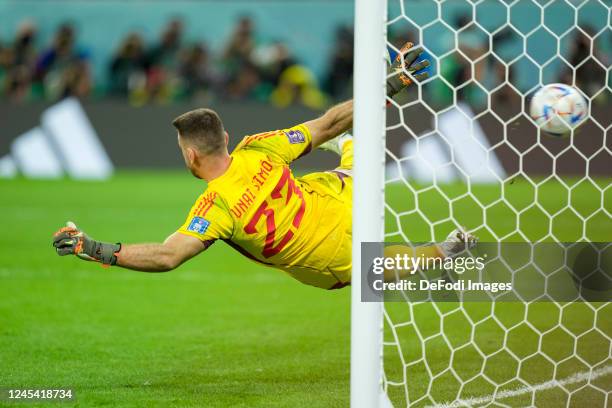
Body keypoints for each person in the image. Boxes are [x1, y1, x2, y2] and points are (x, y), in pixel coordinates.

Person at [52, 42, 470, 289]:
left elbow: (166, 256)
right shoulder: (258, 149)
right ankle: (351, 151)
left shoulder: (213, 208)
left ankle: (441, 252)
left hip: (329, 260)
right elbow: (326, 122)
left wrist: (93, 248)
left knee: (369, 266)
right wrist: (390, 85)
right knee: (344, 158)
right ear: (227, 141)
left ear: (191, 155)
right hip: (341, 200)